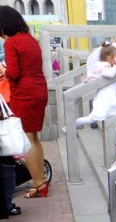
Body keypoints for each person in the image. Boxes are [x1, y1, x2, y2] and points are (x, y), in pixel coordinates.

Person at [0, 6, 49, 199]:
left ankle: (39, 182)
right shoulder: (30, 40)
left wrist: (4, 70)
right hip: (39, 89)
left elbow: (14, 73)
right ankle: (41, 178)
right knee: (34, 137)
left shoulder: (11, 43)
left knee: (27, 140)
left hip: (24, 93)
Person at [62, 42, 116, 150]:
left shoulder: (106, 65)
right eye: (115, 57)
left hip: (113, 95)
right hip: (107, 96)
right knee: (92, 118)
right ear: (108, 57)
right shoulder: (104, 66)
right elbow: (110, 74)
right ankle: (70, 126)